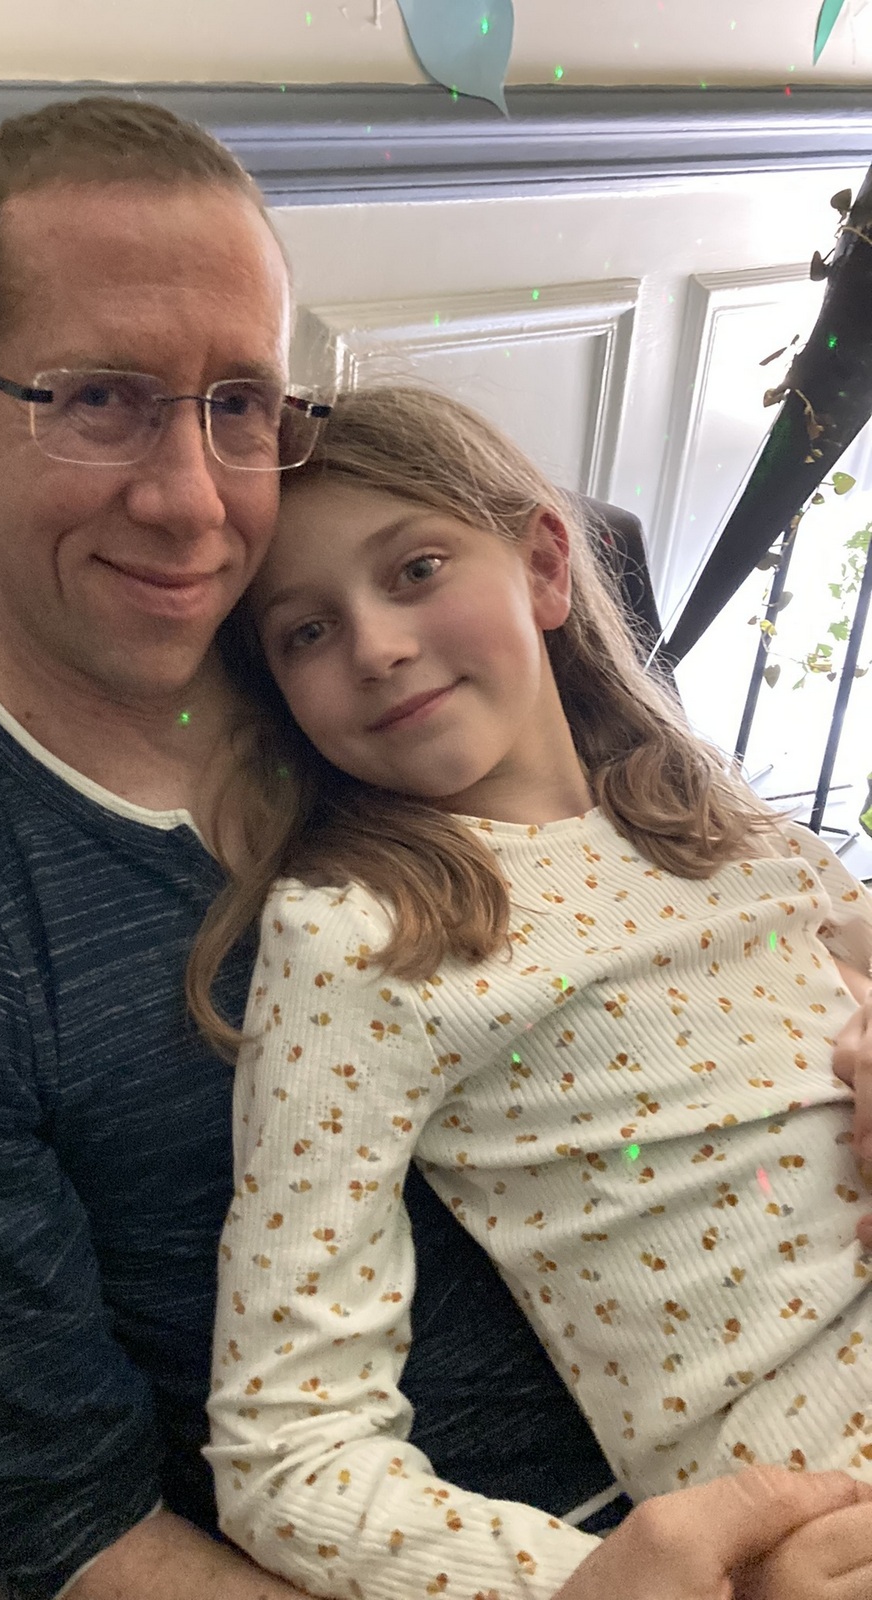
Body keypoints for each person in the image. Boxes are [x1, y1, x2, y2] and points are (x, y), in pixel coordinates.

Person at [0, 95, 872, 1600]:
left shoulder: (477, 726)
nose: (190, 497)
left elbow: (755, 946)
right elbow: (76, 1534)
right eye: (98, 399)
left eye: (236, 401)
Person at [199, 385, 872, 1600]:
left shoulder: (717, 823)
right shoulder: (359, 933)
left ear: (546, 565)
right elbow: (285, 1456)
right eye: (304, 632)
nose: (376, 646)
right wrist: (606, 1583)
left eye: (415, 569)